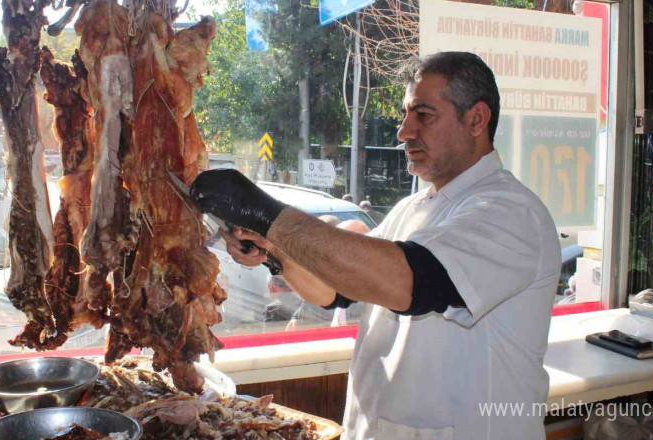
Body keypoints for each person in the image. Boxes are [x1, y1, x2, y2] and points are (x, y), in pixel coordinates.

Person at [191, 52, 560, 440]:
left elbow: (410, 282)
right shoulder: (414, 207)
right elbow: (336, 290)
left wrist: (268, 213)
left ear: (476, 119)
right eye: (405, 114)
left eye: (423, 115)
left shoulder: (511, 211)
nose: (403, 131)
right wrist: (275, 250)